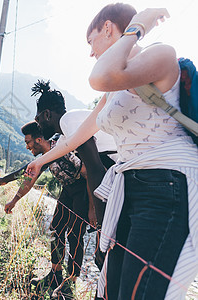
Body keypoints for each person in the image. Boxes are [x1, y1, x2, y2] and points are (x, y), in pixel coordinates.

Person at [26, 4, 198, 299]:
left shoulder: (162, 54)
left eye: (91, 41)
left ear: (107, 28)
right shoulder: (114, 92)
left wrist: (137, 27)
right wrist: (40, 160)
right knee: (113, 288)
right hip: (131, 187)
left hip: (166, 186)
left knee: (140, 291)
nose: (91, 53)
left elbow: (99, 77)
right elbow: (75, 139)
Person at [0, 121, 89, 297]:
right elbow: (28, 177)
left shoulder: (62, 148)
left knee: (75, 235)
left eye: (28, 142)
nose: (27, 147)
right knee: (56, 230)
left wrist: (94, 207)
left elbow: (87, 172)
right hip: (68, 191)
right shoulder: (46, 157)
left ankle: (70, 285)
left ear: (39, 139)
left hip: (82, 191)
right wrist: (13, 199)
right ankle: (55, 276)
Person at [31, 80, 117, 273]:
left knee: (106, 253)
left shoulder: (68, 121)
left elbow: (95, 170)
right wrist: (34, 165)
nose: (38, 124)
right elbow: (52, 155)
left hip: (125, 170)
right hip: (118, 172)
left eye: (38, 120)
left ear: (46, 114)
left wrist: (102, 230)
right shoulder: (65, 135)